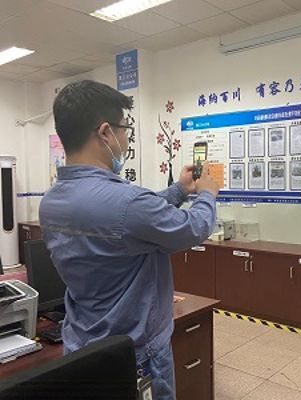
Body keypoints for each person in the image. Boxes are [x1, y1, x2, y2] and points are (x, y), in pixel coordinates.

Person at [39, 80, 219, 400]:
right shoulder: (127, 203)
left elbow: (131, 220)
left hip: (81, 346)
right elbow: (192, 228)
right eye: (125, 130)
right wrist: (206, 194)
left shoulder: (51, 202)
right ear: (105, 132)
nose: (126, 139)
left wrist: (178, 190)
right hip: (135, 355)